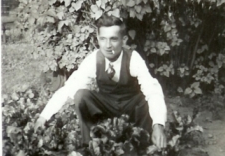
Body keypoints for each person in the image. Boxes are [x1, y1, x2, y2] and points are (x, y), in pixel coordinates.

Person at [35, 16, 167, 149]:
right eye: (103, 39)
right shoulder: (94, 59)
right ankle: (91, 144)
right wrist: (43, 117)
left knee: (147, 97)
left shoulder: (133, 59)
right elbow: (68, 89)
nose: (108, 46)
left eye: (113, 39)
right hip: (107, 107)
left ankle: (142, 141)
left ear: (124, 40)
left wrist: (158, 125)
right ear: (98, 39)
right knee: (81, 95)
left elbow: (153, 90)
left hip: (131, 108)